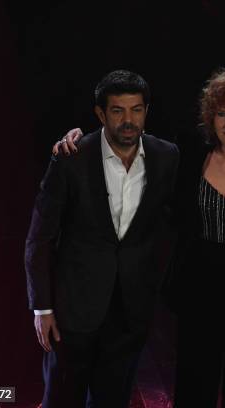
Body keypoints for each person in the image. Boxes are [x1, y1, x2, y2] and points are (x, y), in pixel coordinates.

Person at [53, 68, 225, 408]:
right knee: (193, 387)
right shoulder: (187, 156)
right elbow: (126, 139)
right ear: (210, 116)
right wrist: (77, 138)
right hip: (199, 295)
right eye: (221, 113)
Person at [25, 69, 179, 407]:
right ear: (100, 113)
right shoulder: (71, 156)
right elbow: (40, 237)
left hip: (130, 311)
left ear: (146, 111)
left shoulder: (166, 156)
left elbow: (171, 224)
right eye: (117, 110)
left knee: (113, 399)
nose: (128, 120)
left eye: (136, 110)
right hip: (72, 309)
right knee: (62, 398)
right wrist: (43, 307)